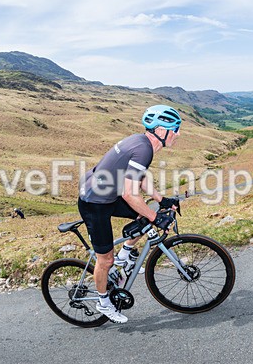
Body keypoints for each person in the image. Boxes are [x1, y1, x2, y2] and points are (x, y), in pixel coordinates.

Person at [77, 104, 182, 323]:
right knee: (105, 260)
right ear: (161, 131)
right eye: (175, 128)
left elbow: (139, 178)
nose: (178, 134)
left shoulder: (142, 143)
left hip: (107, 193)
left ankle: (125, 256)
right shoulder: (143, 149)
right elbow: (129, 194)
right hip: (94, 202)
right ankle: (103, 302)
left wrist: (161, 200)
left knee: (143, 217)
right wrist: (157, 218)